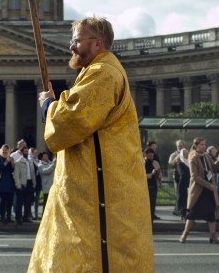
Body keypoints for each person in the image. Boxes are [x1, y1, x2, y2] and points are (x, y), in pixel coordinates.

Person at [29, 17, 153, 272]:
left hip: (98, 197)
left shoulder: (102, 73)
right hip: (90, 191)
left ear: (97, 43)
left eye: (76, 40)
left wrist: (47, 105)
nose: (71, 47)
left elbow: (70, 122)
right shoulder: (96, 71)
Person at [179, 137, 219, 244]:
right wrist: (208, 185)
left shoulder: (206, 155)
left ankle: (213, 236)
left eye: (205, 144)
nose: (204, 146)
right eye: (201, 145)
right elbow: (194, 176)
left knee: (211, 214)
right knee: (192, 214)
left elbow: (213, 168)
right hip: (199, 190)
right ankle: (184, 235)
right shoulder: (193, 157)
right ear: (196, 146)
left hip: (209, 190)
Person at [0, 144, 15, 224]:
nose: (5, 151)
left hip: (10, 181)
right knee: (3, 200)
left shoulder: (11, 158)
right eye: (3, 150)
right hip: (2, 181)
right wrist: (6, 162)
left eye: (6, 150)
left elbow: (13, 169)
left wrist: (13, 163)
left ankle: (9, 216)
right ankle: (2, 216)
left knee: (10, 201)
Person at [168, 140, 186, 216]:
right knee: (178, 193)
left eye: (181, 146)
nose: (180, 147)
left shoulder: (187, 153)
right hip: (177, 176)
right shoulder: (173, 154)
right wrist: (178, 157)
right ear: (176, 147)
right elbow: (170, 164)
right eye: (179, 146)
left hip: (186, 176)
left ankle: (182, 210)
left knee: (185, 194)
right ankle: (177, 209)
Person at [145, 148, 162, 221]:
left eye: (152, 156)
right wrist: (151, 174)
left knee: (152, 204)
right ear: (145, 155)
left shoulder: (155, 163)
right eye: (149, 156)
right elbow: (140, 176)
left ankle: (151, 219)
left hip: (154, 186)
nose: (151, 158)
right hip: (145, 187)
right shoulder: (142, 163)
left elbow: (160, 173)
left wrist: (158, 174)